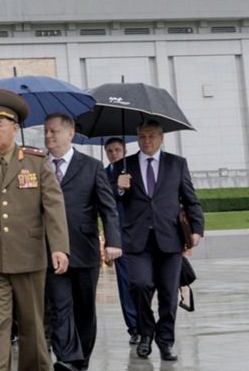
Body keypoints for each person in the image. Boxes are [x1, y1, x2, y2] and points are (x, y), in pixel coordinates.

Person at [0, 90, 69, 371]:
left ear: (15, 128)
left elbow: (53, 206)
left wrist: (59, 247)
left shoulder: (35, 162)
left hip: (28, 257)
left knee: (32, 326)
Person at [115, 120, 204, 362]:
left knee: (168, 294)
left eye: (152, 136)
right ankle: (145, 333)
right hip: (137, 240)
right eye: (142, 136)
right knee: (140, 285)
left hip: (170, 238)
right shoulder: (124, 165)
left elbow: (190, 198)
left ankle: (166, 341)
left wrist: (197, 229)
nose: (147, 141)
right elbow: (110, 200)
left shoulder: (177, 164)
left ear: (161, 137)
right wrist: (119, 187)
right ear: (137, 138)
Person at [42, 114, 121, 371]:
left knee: (84, 309)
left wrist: (113, 241)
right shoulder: (37, 165)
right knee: (59, 307)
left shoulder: (91, 166)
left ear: (70, 133)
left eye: (54, 131)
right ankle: (67, 359)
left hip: (83, 248)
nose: (48, 136)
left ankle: (81, 359)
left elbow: (108, 208)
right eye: (46, 132)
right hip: (50, 251)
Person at [104, 137, 139, 344]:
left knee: (143, 283)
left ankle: (146, 322)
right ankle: (133, 326)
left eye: (117, 150)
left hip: (138, 235)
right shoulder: (104, 173)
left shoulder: (133, 170)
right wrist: (116, 187)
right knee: (125, 284)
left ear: (124, 151)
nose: (114, 154)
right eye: (110, 151)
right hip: (118, 237)